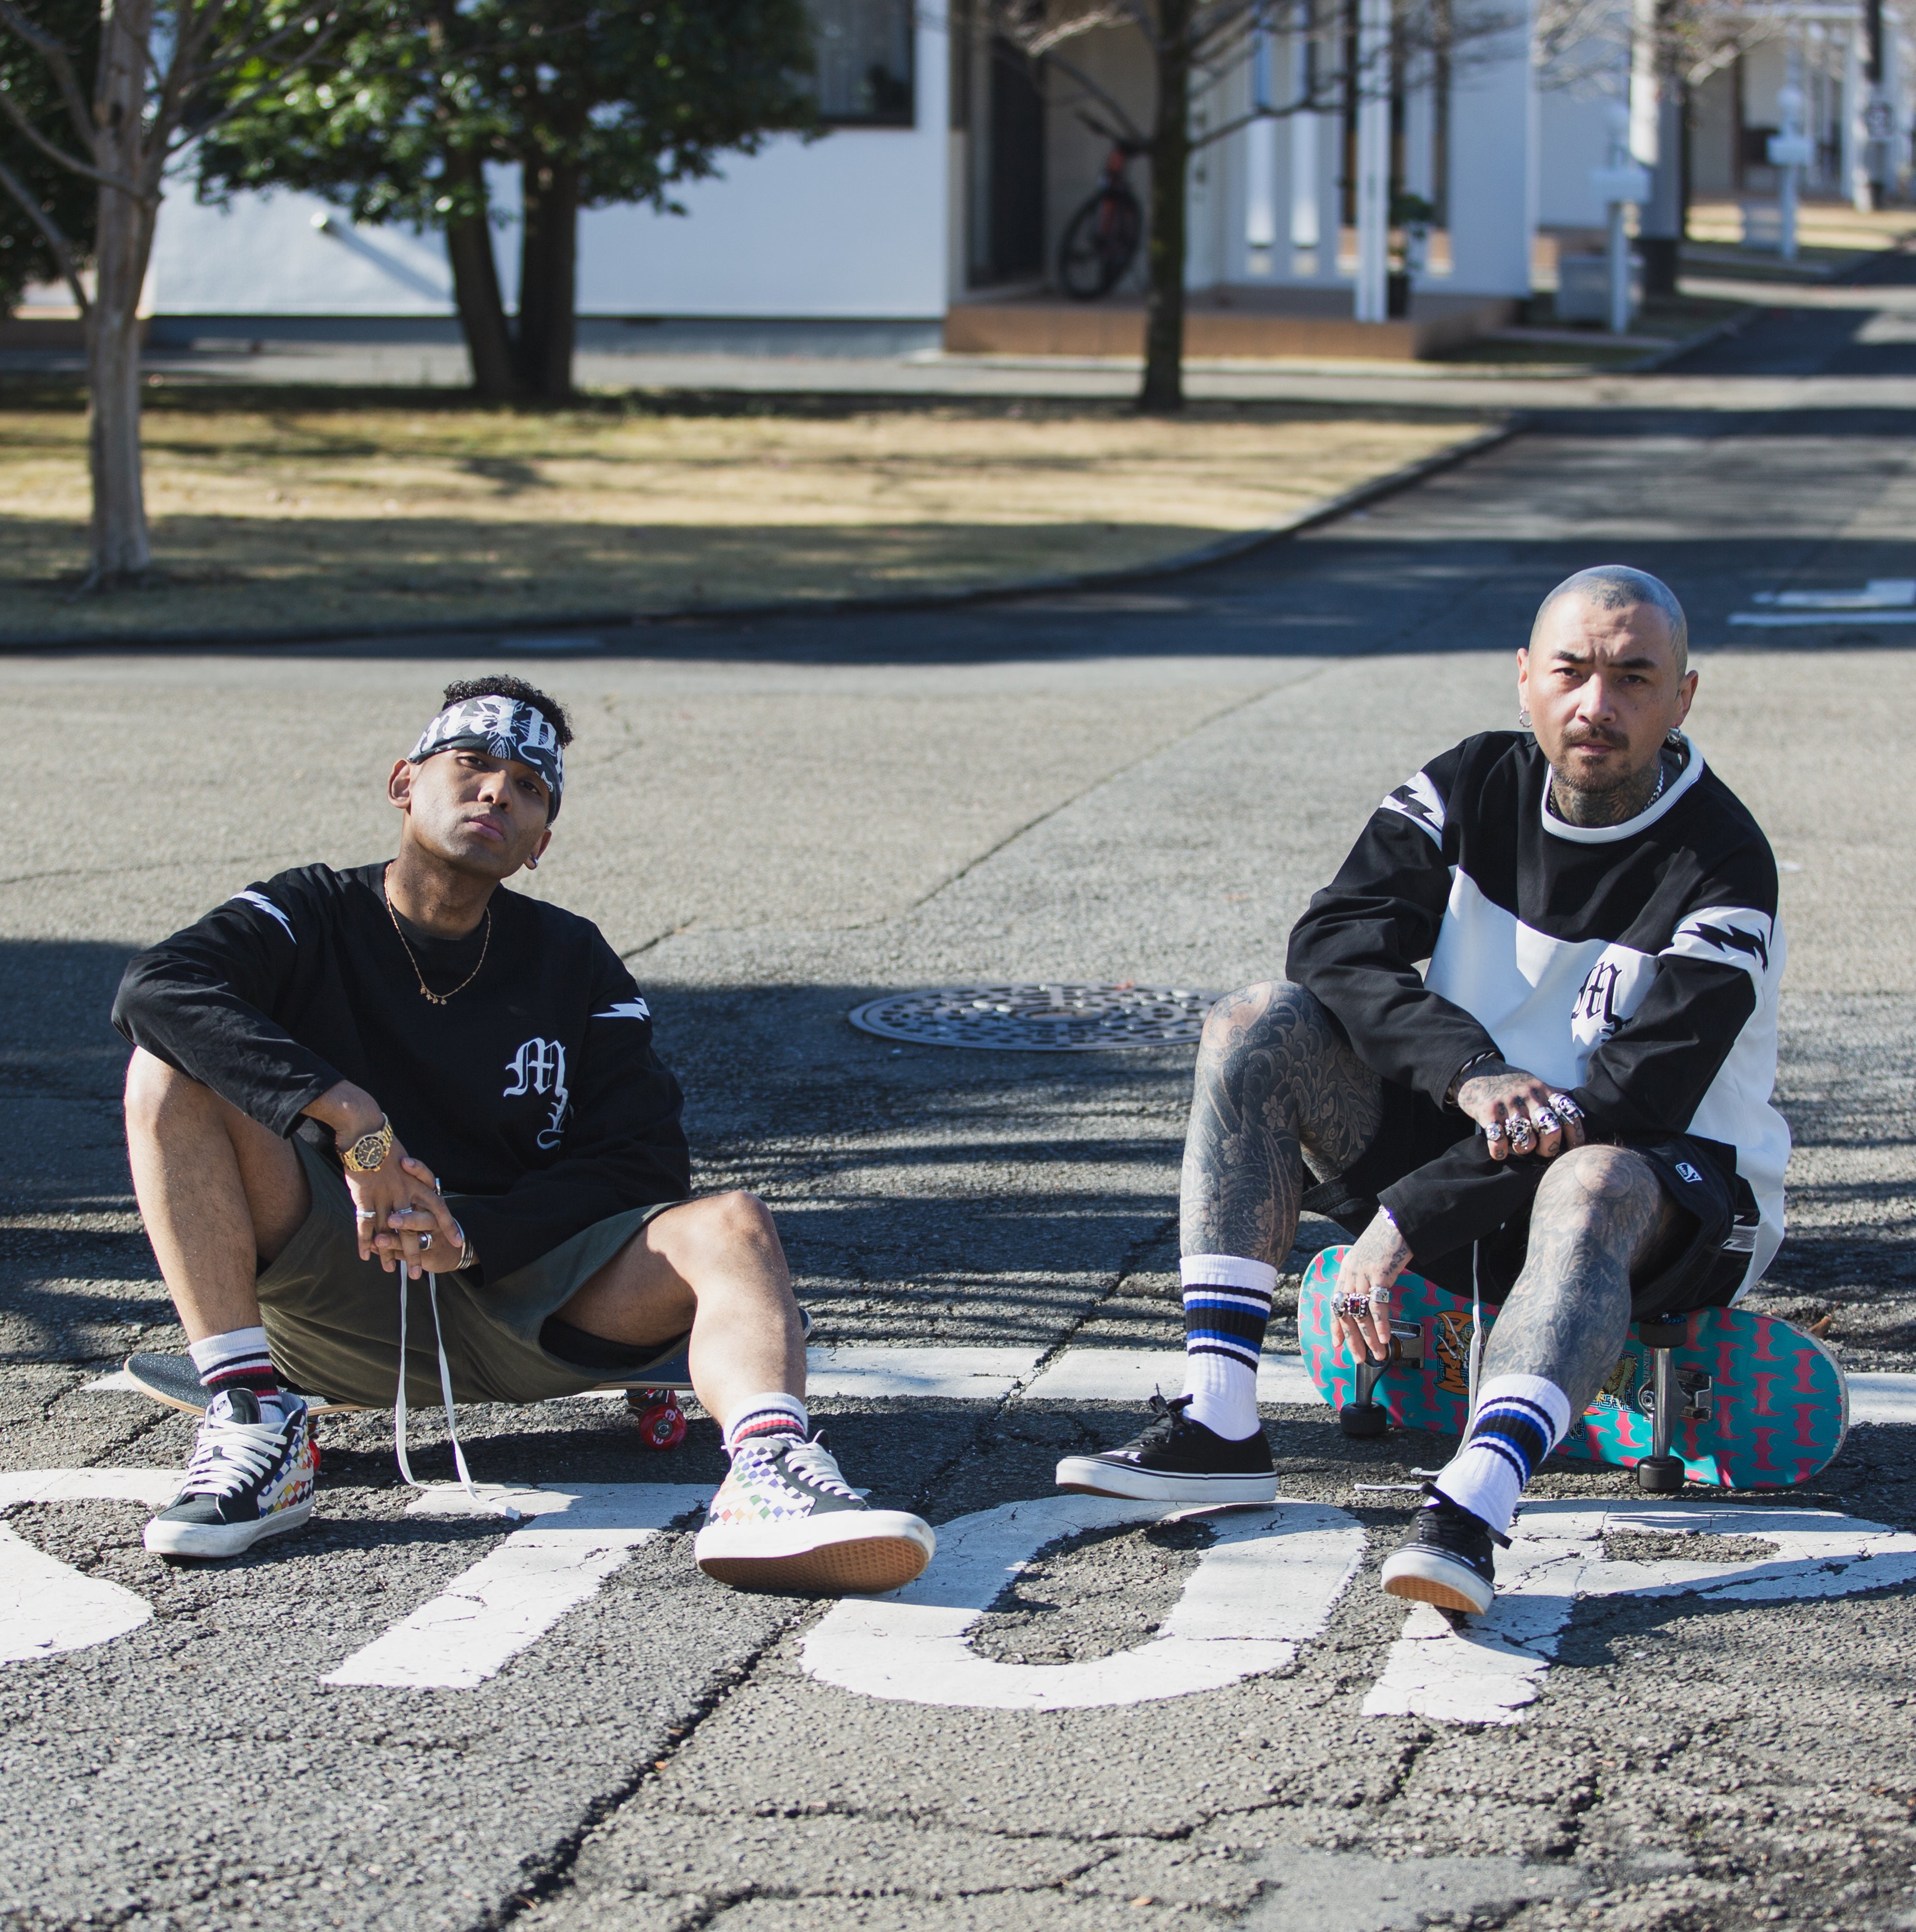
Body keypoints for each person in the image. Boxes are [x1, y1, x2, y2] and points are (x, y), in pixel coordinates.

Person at [1056, 567, 1787, 1615]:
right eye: (1572, 672)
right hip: (1473, 1146)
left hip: (1667, 1198)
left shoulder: (1722, 860)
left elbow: (1636, 1092)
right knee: (1258, 1023)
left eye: (1633, 678)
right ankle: (1218, 1420)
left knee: (1589, 1174)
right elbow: (1334, 940)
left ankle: (1473, 1503)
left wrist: (1400, 1220)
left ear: (1682, 697)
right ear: (1524, 677)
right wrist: (1468, 1070)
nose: (1597, 705)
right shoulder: (1466, 784)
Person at [112, 674, 934, 1597]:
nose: (497, 790)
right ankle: (256, 1414)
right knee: (168, 1066)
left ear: (540, 842)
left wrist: (473, 1238)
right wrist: (357, 1124)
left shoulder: (573, 960)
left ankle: (772, 1477)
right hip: (341, 1285)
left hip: (534, 1302)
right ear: (403, 784)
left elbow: (644, 1162)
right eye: (471, 765)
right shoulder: (306, 913)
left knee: (732, 1223)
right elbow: (156, 991)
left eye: (529, 786)